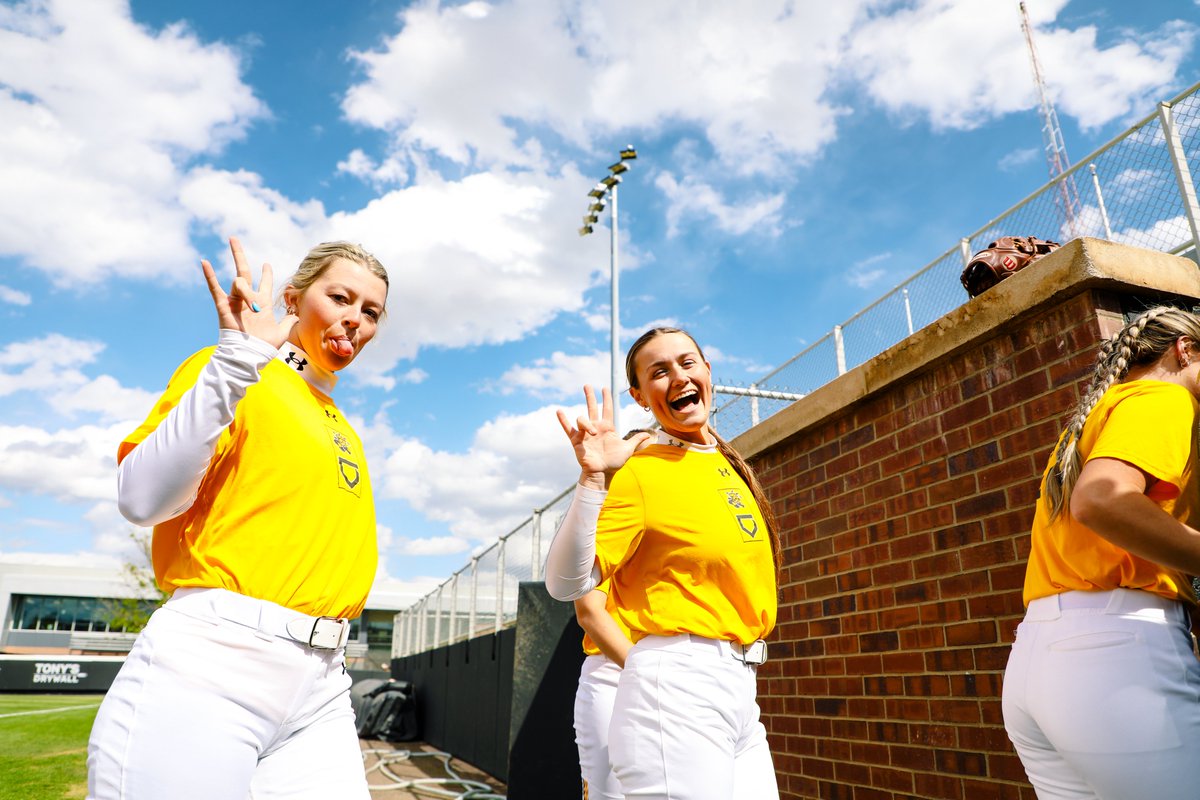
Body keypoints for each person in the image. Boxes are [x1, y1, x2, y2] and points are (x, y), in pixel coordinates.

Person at [87, 237, 389, 800]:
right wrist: (235, 362)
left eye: (371, 312)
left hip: (323, 682)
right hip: (213, 662)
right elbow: (140, 497)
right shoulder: (231, 372)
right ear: (293, 301)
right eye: (341, 297)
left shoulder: (342, 424)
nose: (355, 319)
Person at [545, 326, 781, 800]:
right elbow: (569, 586)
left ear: (708, 370)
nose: (678, 376)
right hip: (668, 680)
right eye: (659, 371)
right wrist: (595, 478)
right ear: (639, 396)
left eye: (687, 362)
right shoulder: (640, 466)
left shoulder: (726, 465)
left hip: (738, 689)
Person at [1001, 306, 1200, 800]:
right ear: (1186, 350)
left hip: (1037, 661)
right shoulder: (1164, 398)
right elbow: (1102, 498)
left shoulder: (1103, 410)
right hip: (1118, 657)